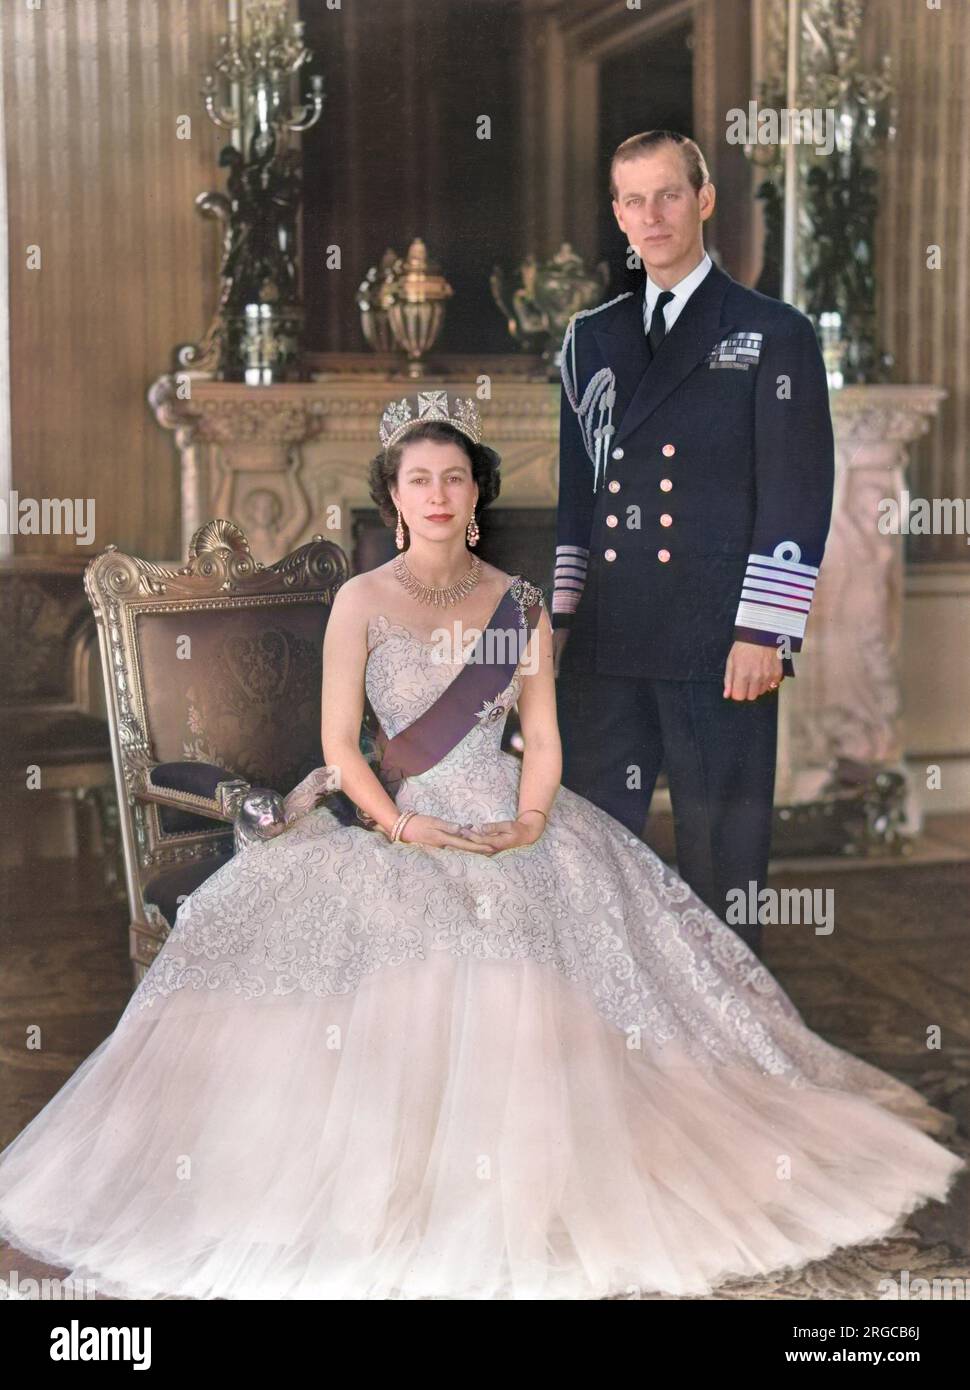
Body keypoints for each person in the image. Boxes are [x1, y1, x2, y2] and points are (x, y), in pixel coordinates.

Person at [0, 390, 962, 1303]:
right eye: (418, 478)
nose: (436, 495)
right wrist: (405, 826)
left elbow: (541, 742)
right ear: (393, 495)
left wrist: (534, 821)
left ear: (475, 494)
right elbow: (340, 748)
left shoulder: (520, 604)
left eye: (454, 478)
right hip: (393, 816)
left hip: (511, 818)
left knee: (546, 967)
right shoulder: (361, 604)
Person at [553, 130, 835, 958]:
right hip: (609, 637)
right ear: (617, 215)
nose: (653, 215)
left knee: (723, 861)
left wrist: (766, 632)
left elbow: (797, 492)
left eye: (669, 194)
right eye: (634, 200)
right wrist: (562, 625)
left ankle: (730, 1036)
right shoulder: (591, 336)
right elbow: (578, 497)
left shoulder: (770, 331)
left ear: (704, 199)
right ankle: (611, 1025)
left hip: (720, 638)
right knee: (591, 846)